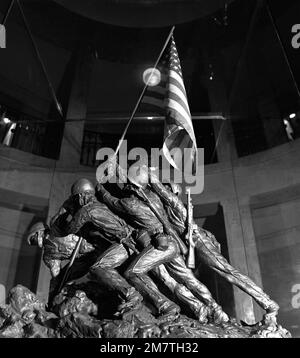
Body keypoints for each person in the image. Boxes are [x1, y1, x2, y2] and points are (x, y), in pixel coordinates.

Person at [96, 164, 229, 324]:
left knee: (145, 276)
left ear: (131, 185)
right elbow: (131, 184)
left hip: (158, 246)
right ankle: (212, 309)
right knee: (188, 280)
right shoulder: (153, 196)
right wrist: (117, 168)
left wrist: (100, 188)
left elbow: (112, 201)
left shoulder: (131, 204)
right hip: (170, 243)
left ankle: (178, 307)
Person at [148, 170, 280, 324]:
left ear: (171, 191)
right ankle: (213, 312)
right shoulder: (165, 211)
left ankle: (268, 302)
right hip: (192, 245)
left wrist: (150, 174)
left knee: (228, 271)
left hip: (199, 241)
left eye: (166, 188)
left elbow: (158, 188)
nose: (162, 192)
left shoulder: (173, 202)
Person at [54, 178, 144, 314]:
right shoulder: (99, 204)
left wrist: (65, 210)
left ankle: (131, 295)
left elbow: (69, 230)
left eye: (76, 199)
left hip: (126, 244)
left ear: (81, 196)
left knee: (98, 268)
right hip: (125, 241)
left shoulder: (86, 211)